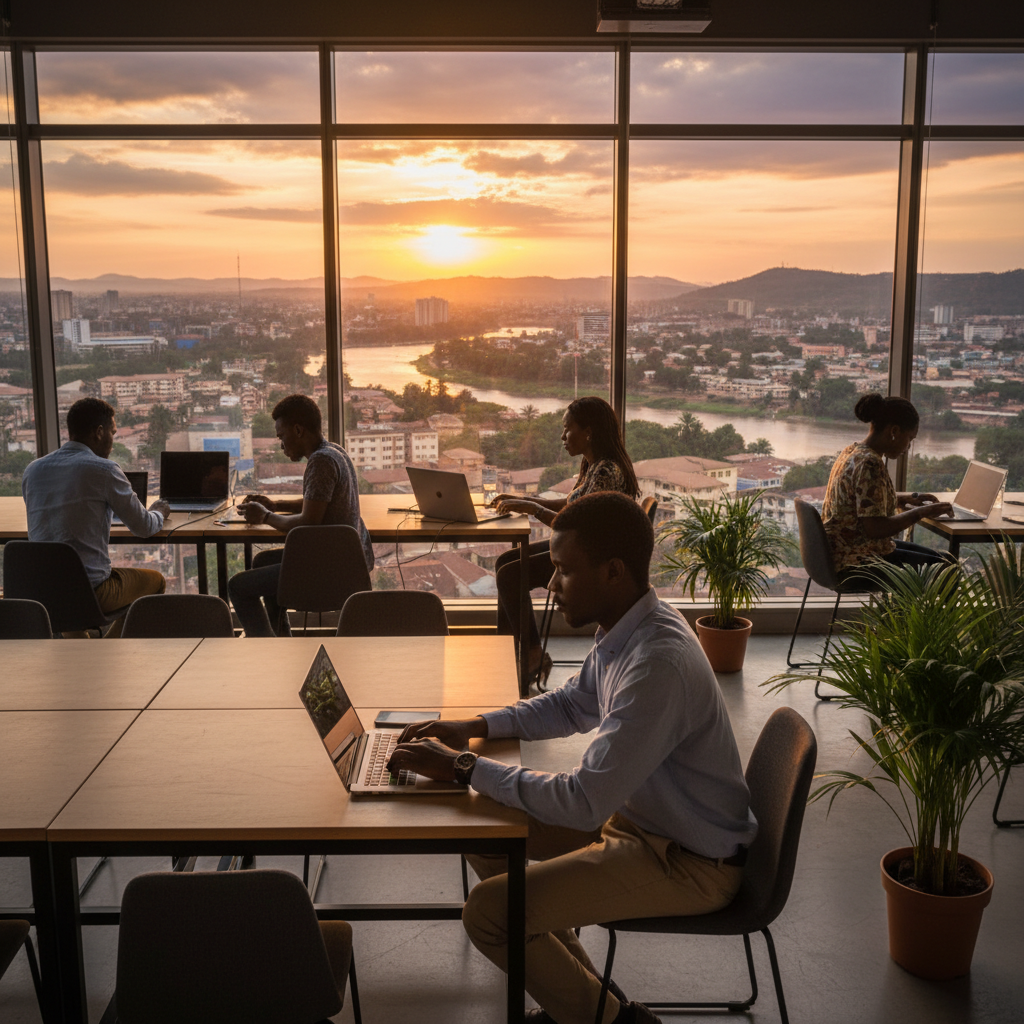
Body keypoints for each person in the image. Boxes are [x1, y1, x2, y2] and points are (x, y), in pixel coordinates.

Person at [387, 492, 756, 1024]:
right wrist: (474, 726)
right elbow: (570, 704)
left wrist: (463, 767)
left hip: (687, 861)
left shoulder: (657, 665)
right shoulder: (628, 628)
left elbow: (582, 802)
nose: (549, 584)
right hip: (641, 824)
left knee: (490, 914)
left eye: (562, 570)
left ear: (612, 572)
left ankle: (612, 1022)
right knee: (483, 831)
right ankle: (587, 1007)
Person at [490, 396, 640, 685]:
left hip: (590, 561)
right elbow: (572, 503)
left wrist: (533, 509)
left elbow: (578, 524)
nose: (562, 436)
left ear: (589, 432)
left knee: (510, 574)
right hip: (582, 549)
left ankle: (531, 653)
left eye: (567, 429)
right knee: (504, 562)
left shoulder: (607, 471)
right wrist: (524, 499)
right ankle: (513, 648)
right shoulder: (594, 465)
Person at [21, 397, 170, 638]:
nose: (113, 440)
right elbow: (144, 527)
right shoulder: (104, 470)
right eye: (113, 432)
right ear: (99, 432)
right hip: (90, 592)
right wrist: (159, 512)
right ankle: (107, 650)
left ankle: (82, 653)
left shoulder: (33, 470)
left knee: (67, 594)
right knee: (155, 582)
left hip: (39, 591)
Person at [228, 394, 373, 637]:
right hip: (349, 556)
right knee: (261, 562)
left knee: (237, 587)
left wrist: (264, 516)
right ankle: (280, 637)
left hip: (330, 567)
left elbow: (308, 522)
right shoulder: (334, 451)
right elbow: (316, 505)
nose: (281, 444)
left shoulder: (321, 462)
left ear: (297, 430)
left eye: (281, 436)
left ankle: (267, 646)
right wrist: (275, 504)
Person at [822, 393, 954, 577]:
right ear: (894, 432)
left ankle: (904, 607)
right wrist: (921, 512)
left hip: (837, 554)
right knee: (946, 567)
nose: (908, 448)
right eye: (910, 439)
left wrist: (903, 500)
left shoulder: (852, 451)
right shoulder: (870, 463)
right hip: (856, 561)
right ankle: (909, 607)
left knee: (944, 560)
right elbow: (876, 528)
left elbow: (861, 501)